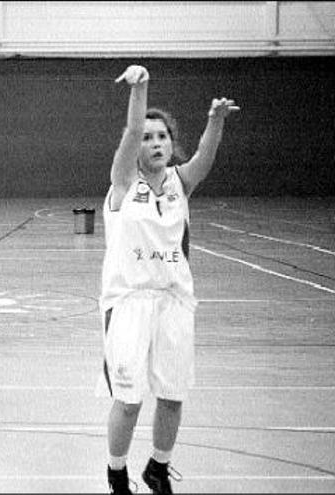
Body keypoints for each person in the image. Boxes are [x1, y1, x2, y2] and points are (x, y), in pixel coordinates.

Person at [100, 65, 239, 495]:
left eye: (161, 136)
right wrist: (140, 90)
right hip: (128, 302)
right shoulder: (123, 182)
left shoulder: (182, 182)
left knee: (173, 395)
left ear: (171, 143)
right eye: (147, 136)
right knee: (128, 399)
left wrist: (215, 121)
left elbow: (204, 158)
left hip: (175, 300)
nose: (154, 142)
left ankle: (158, 467)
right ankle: (117, 473)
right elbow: (129, 129)